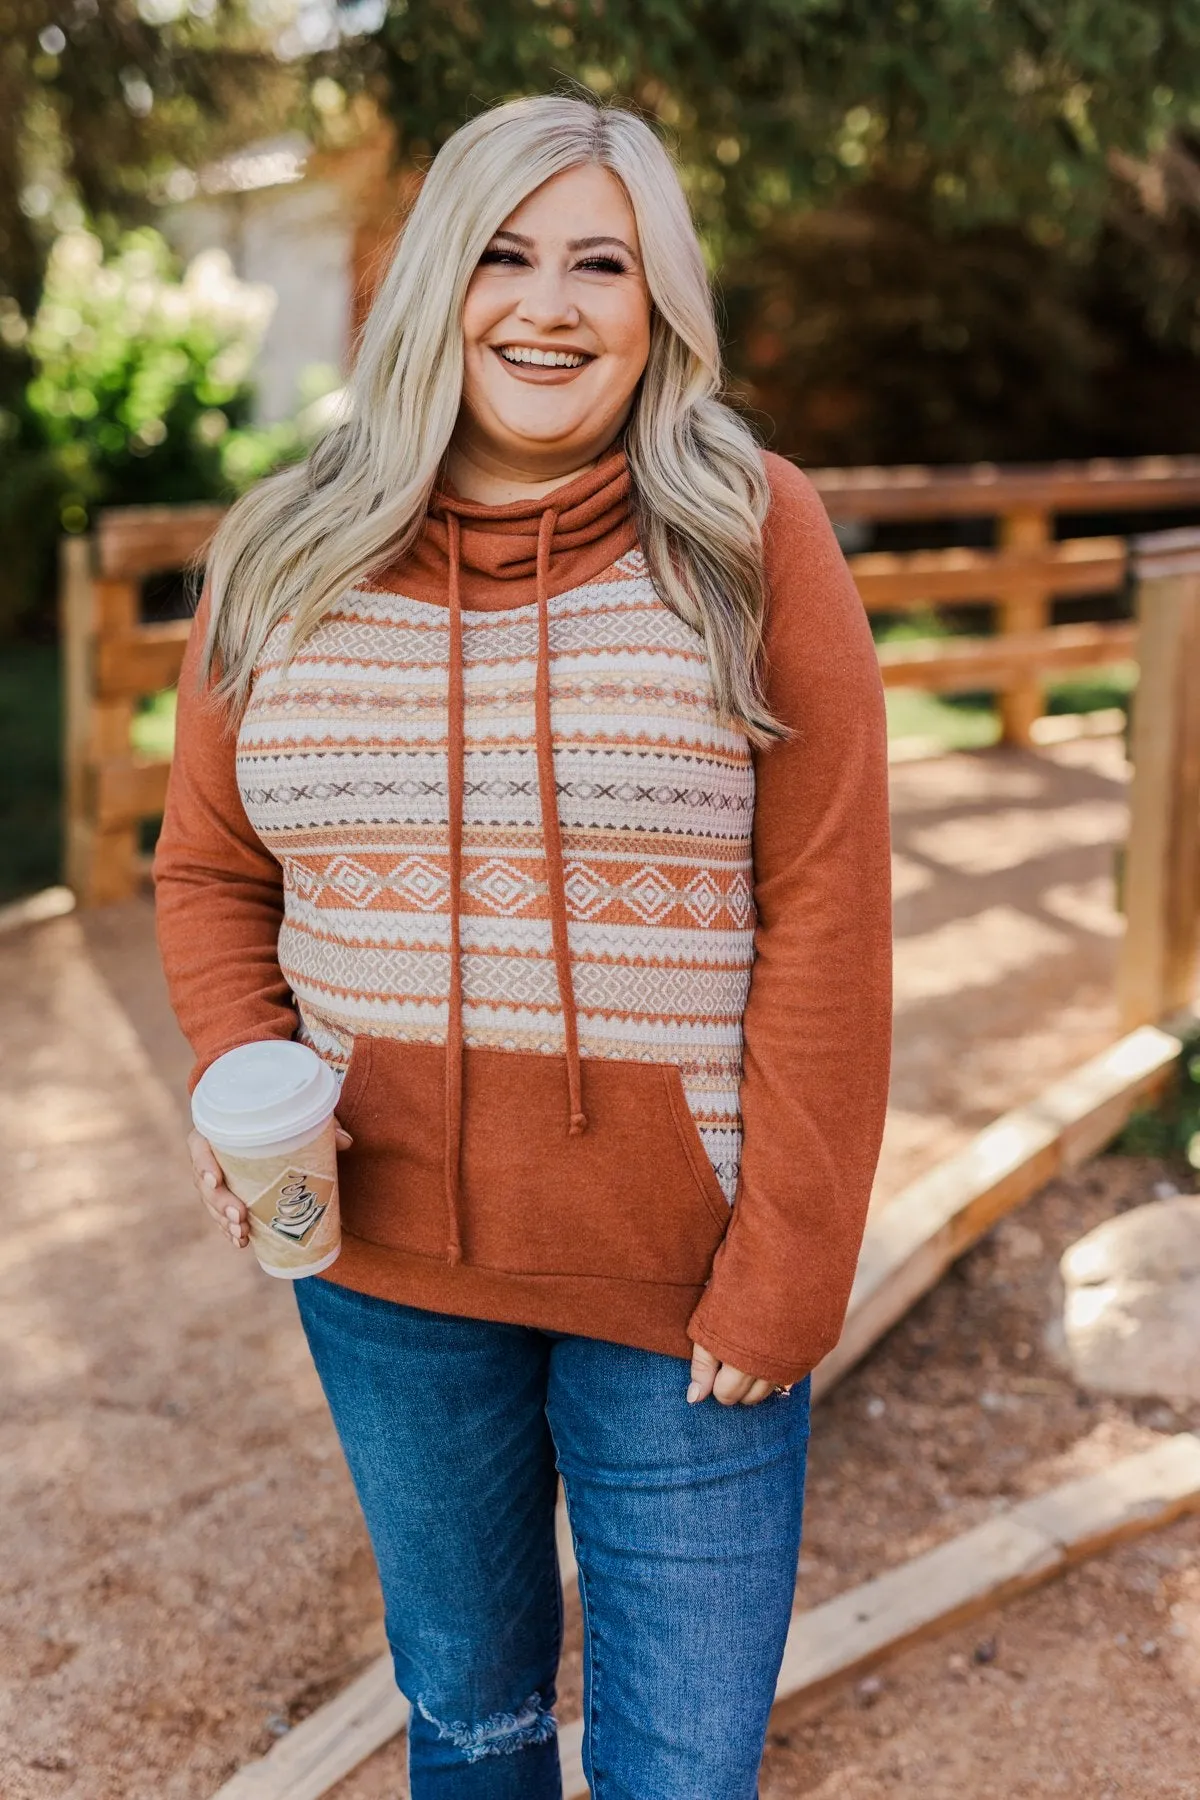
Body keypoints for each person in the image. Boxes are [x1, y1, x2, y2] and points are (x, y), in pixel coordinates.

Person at [154, 93, 892, 1800]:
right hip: (381, 1261)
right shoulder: (282, 549)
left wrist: (790, 1261)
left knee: (685, 1766)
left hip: (680, 1276)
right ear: (435, 283)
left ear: (657, 308)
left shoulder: (745, 532)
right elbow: (207, 870)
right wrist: (240, 1079)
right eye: (503, 253)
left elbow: (831, 910)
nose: (546, 304)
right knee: (470, 1727)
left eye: (599, 262)